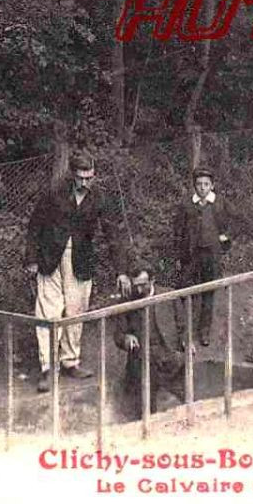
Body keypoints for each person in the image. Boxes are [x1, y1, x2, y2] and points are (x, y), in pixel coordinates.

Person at [26, 149, 109, 391]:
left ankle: (71, 361)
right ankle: (48, 368)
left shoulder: (99, 197)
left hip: (81, 259)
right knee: (48, 311)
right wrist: (31, 258)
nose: (85, 182)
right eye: (81, 177)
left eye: (89, 177)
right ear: (72, 174)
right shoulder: (54, 193)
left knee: (76, 310)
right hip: (50, 256)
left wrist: (123, 269)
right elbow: (34, 226)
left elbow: (114, 232)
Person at [113, 264, 186, 422]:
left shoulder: (169, 295)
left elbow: (183, 327)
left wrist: (187, 341)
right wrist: (126, 338)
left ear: (152, 281)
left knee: (185, 398)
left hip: (169, 355)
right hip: (142, 358)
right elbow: (118, 335)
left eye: (143, 285)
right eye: (136, 286)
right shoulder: (127, 302)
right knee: (146, 404)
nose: (138, 290)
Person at [173, 166, 235, 347]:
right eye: (199, 184)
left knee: (208, 291)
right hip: (191, 255)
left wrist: (225, 238)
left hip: (212, 255)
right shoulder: (186, 205)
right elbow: (178, 230)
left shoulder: (219, 204)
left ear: (212, 185)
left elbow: (231, 223)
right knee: (184, 290)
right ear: (194, 186)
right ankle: (183, 332)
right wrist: (178, 255)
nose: (202, 188)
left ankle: (204, 331)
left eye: (206, 184)